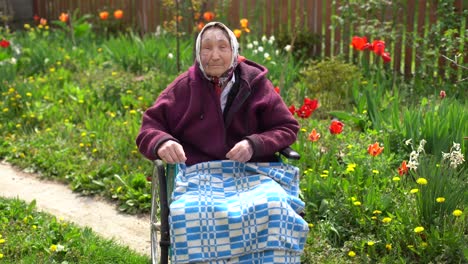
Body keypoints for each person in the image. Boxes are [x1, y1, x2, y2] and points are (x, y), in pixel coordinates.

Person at [136, 21, 308, 263]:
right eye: (206, 48)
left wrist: (253, 144)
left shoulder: (255, 84)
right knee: (190, 212)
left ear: (234, 51)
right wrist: (162, 142)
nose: (214, 56)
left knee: (274, 204)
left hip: (252, 173)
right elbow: (149, 127)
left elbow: (287, 127)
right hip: (199, 175)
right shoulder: (184, 88)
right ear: (198, 52)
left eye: (222, 47)